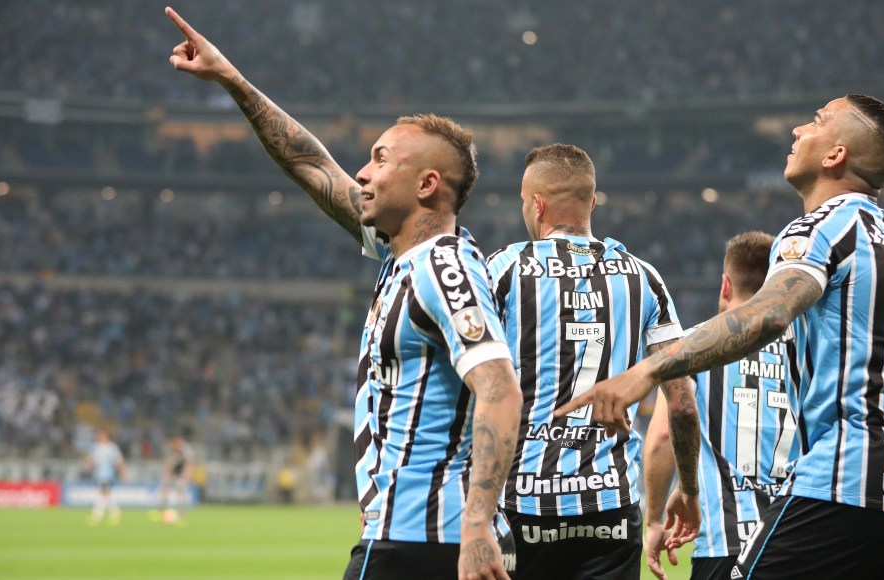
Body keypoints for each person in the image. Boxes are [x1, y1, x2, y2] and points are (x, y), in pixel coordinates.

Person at [165, 8, 522, 580]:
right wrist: (232, 78)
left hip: (421, 541)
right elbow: (310, 163)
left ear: (427, 184)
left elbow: (500, 390)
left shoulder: (443, 266)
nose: (361, 173)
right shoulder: (404, 255)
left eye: (380, 160)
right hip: (414, 536)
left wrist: (477, 527)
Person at [557, 94, 884, 579]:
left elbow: (771, 313)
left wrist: (648, 369)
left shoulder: (821, 226)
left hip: (849, 475)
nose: (798, 130)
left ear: (836, 155)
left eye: (816, 122)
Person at [486, 144, 701, 579]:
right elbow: (682, 406)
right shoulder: (644, 278)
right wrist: (689, 489)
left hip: (520, 504)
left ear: (537, 204)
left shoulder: (504, 270)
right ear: (592, 202)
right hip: (610, 508)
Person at [644, 231, 799, 580]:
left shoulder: (691, 346)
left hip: (724, 544)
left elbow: (662, 437)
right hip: (796, 540)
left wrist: (654, 519)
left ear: (726, 285)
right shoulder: (805, 348)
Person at [84, 429, 126, 525]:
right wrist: (87, 462)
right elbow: (93, 460)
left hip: (108, 473)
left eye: (102, 435)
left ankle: (99, 515)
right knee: (107, 493)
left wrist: (122, 472)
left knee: (102, 493)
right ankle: (114, 513)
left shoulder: (112, 447)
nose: (100, 437)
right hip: (98, 473)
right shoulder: (96, 447)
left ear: (106, 437)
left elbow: (118, 460)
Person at [156, 434, 195, 522]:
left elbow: (189, 464)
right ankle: (162, 509)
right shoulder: (171, 450)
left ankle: (182, 512)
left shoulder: (187, 450)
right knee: (165, 491)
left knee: (181, 492)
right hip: (172, 474)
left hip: (182, 474)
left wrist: (186, 476)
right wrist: (166, 475)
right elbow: (169, 465)